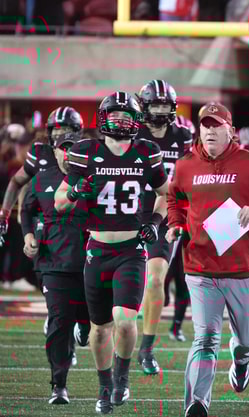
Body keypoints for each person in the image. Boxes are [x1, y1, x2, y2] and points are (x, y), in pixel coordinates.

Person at [166, 102, 249, 417]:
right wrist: (175, 224)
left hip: (242, 269)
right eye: (205, 125)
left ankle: (241, 361)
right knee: (205, 338)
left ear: (231, 131)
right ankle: (197, 403)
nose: (210, 131)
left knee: (245, 341)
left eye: (216, 125)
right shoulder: (185, 165)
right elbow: (175, 199)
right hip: (200, 267)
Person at [54, 92, 169, 414]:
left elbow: (166, 194)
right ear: (103, 118)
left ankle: (122, 377)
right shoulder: (84, 151)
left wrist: (155, 222)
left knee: (126, 321)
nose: (120, 120)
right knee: (101, 327)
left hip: (132, 249)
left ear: (136, 120)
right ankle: (104, 386)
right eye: (114, 114)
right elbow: (60, 202)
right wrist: (76, 191)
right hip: (97, 249)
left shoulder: (147, 151)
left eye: (126, 115)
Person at [20, 118, 89, 405]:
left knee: (91, 321)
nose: (68, 153)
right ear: (56, 151)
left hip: (91, 263)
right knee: (59, 322)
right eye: (64, 148)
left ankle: (84, 323)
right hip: (54, 264)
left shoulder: (95, 177)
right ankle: (58, 385)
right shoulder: (42, 178)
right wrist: (27, 237)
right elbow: (26, 210)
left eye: (74, 148)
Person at [134, 79, 194, 374]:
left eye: (164, 105)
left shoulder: (183, 136)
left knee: (156, 280)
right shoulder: (132, 133)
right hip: (127, 213)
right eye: (155, 105)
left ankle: (146, 348)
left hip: (166, 214)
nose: (159, 111)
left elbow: (195, 173)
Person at [0, 107, 82, 245]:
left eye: (64, 129)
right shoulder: (40, 153)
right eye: (56, 129)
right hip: (43, 229)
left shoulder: (87, 153)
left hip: (77, 229)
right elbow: (17, 181)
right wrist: (4, 215)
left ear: (76, 131)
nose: (59, 133)